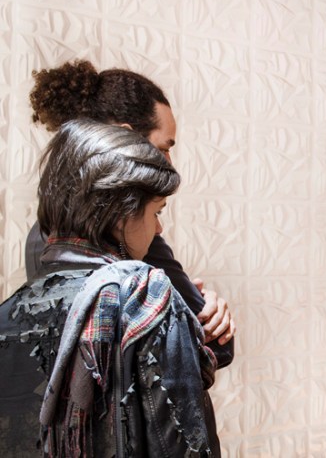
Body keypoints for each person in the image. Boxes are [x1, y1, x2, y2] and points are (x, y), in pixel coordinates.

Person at [0, 120, 217, 455]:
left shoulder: (9, 313)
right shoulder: (144, 296)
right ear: (120, 215)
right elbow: (183, 445)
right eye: (156, 212)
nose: (158, 229)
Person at [26, 59, 235, 357]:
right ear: (127, 138)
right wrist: (204, 310)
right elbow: (213, 344)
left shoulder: (43, 234)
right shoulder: (126, 231)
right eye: (163, 148)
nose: (169, 163)